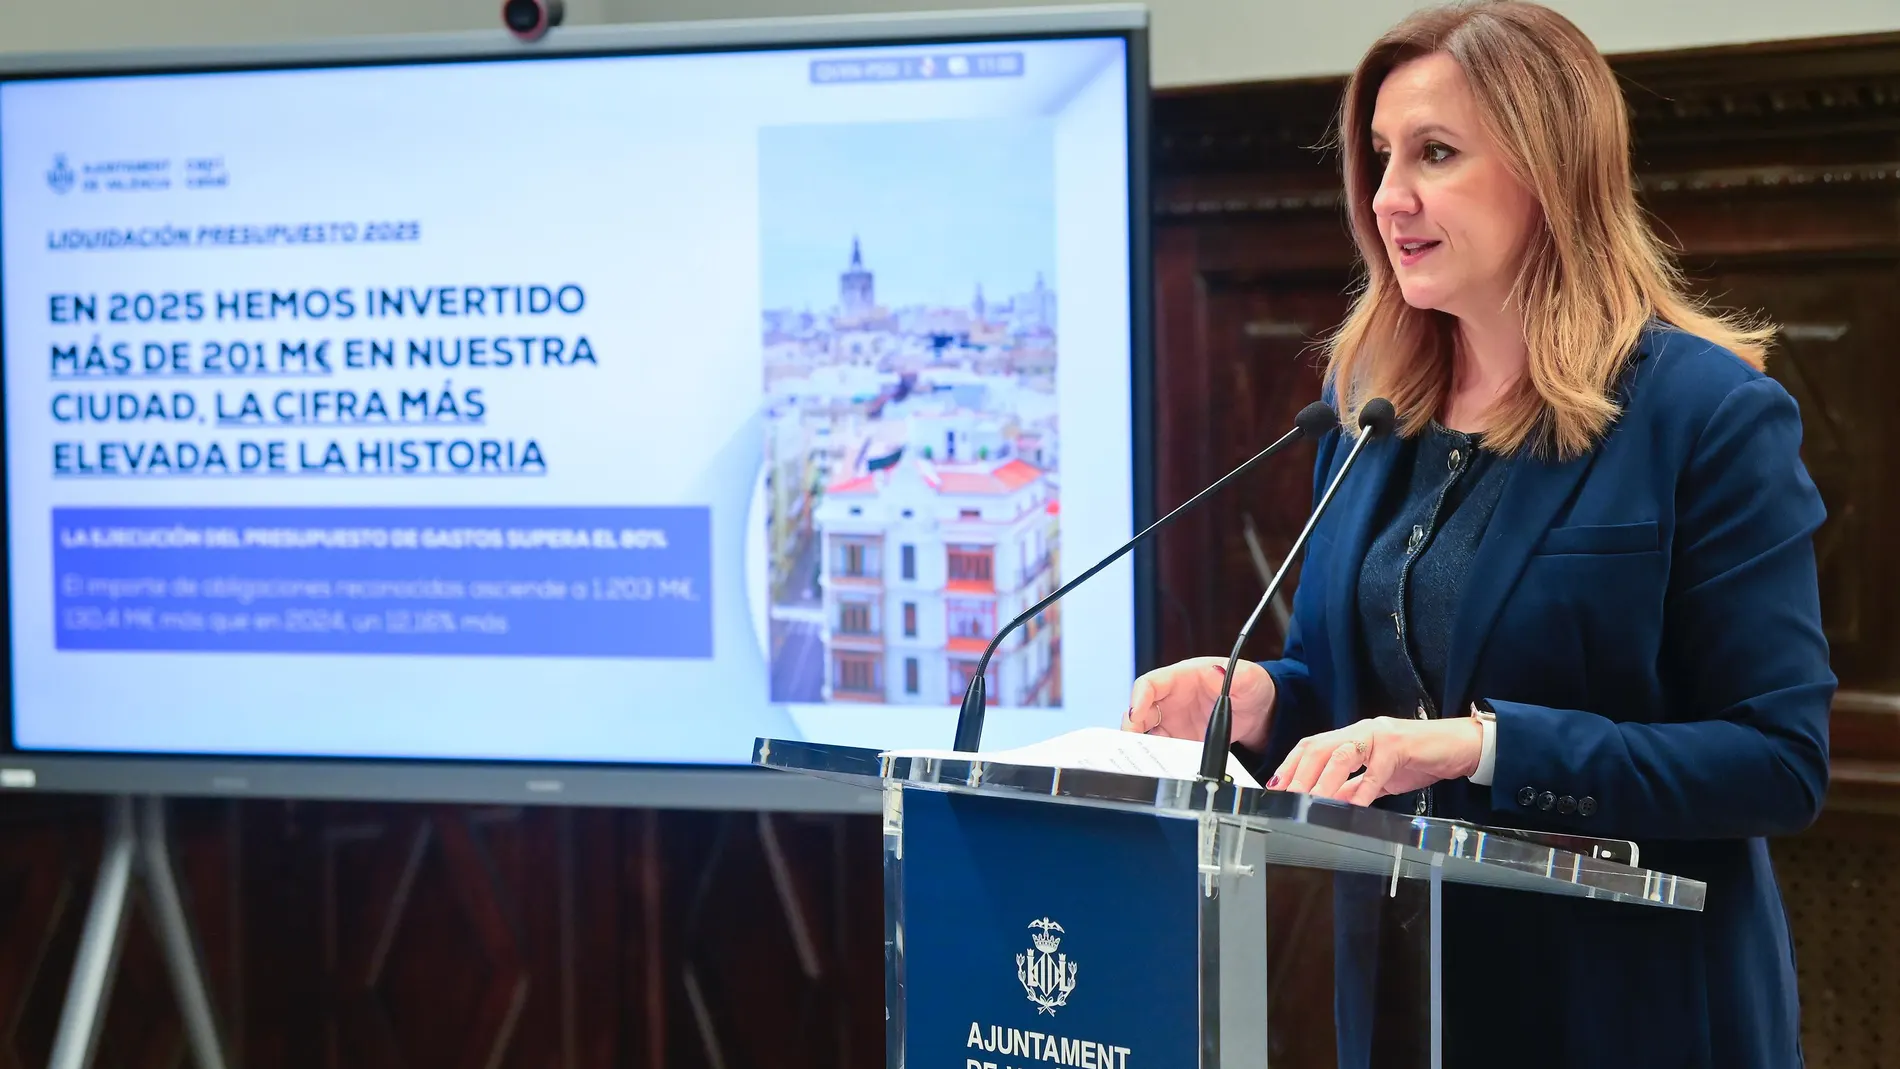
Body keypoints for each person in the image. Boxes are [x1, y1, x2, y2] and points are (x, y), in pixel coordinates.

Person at [1123, 3, 1833, 1066]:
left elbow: (1777, 761)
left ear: (1550, 171)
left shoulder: (1705, 415)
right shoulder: (1372, 407)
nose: (1388, 196)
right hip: (1411, 1008)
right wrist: (1261, 698)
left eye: (1435, 155)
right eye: (1378, 158)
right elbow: (1359, 690)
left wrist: (1484, 745)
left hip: (1630, 1013)